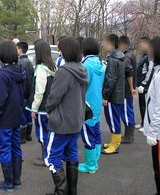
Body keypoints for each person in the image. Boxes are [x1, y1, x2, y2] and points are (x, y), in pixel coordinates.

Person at [45, 36, 87, 195]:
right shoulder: (82, 69)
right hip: (76, 121)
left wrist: (49, 110)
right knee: (71, 153)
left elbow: (54, 97)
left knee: (51, 157)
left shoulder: (64, 71)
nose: (59, 51)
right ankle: (71, 191)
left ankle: (61, 192)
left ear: (66, 51)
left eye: (60, 48)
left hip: (61, 122)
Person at [0, 40, 26, 192]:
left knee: (5, 148)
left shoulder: (3, 75)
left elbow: (0, 101)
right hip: (18, 116)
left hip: (5, 119)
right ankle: (16, 180)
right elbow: (26, 93)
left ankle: (8, 182)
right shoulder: (21, 70)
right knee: (16, 147)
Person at [78, 37, 105, 174]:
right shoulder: (100, 64)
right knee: (96, 131)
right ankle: (95, 159)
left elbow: (81, 86)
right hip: (96, 104)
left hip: (86, 105)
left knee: (88, 135)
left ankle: (91, 164)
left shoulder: (85, 66)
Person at [28, 41, 56, 166]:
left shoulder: (40, 69)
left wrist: (34, 108)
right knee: (49, 132)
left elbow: (39, 91)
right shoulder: (52, 67)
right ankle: (50, 156)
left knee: (42, 133)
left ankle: (46, 158)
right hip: (50, 106)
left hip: (42, 108)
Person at [102, 34, 128, 155]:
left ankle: (115, 144)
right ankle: (114, 141)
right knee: (114, 118)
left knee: (112, 119)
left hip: (113, 96)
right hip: (118, 94)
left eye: (105, 42)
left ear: (111, 43)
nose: (103, 45)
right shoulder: (120, 57)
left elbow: (110, 79)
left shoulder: (113, 59)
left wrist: (105, 96)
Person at [144, 36, 160, 195]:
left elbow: (159, 108)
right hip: (156, 132)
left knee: (158, 168)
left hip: (159, 134)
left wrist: (153, 133)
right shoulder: (157, 70)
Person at [118, 36, 137, 144]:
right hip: (128, 90)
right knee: (128, 110)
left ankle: (129, 136)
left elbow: (128, 72)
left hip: (125, 90)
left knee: (126, 111)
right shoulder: (130, 54)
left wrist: (131, 88)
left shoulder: (126, 57)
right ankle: (128, 134)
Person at [17, 41, 34, 143]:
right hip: (29, 92)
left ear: (19, 49)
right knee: (28, 114)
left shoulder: (19, 62)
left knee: (22, 114)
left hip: (22, 92)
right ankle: (28, 135)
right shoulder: (29, 62)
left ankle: (22, 137)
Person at [136, 36, 152, 132]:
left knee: (145, 105)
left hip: (144, 86)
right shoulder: (144, 55)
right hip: (140, 84)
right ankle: (143, 122)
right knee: (141, 104)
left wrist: (144, 84)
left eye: (141, 44)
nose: (139, 46)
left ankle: (146, 125)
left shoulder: (150, 55)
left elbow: (149, 71)